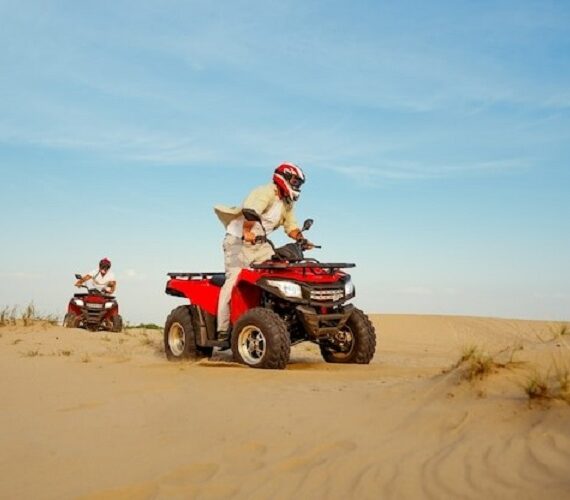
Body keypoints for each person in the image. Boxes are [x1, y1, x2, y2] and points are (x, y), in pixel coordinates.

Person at [214, 162, 308, 340]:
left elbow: (291, 226)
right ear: (284, 178)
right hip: (237, 241)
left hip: (261, 243)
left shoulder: (286, 203)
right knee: (234, 280)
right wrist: (247, 231)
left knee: (277, 273)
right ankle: (223, 329)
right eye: (295, 181)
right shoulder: (265, 192)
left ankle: (274, 318)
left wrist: (301, 238)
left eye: (299, 183)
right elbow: (250, 211)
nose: (297, 186)